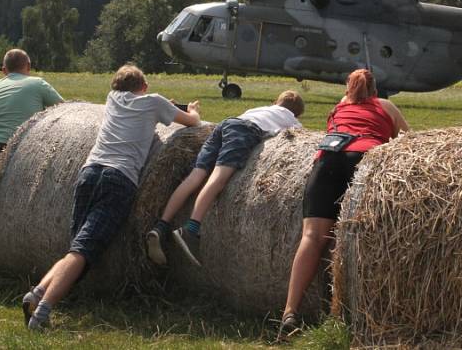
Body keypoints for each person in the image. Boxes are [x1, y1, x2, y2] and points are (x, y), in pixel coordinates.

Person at [23, 64, 200, 330]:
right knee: (82, 251)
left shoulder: (113, 99)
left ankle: (36, 294)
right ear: (144, 87)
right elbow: (193, 123)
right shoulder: (153, 102)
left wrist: (161, 104)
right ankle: (42, 313)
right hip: (119, 179)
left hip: (89, 173)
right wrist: (192, 110)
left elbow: (137, 102)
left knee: (78, 247)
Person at [278, 69, 408, 338]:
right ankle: (344, 312)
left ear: (348, 88)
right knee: (353, 237)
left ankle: (289, 312)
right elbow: (409, 142)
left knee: (312, 237)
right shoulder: (387, 106)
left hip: (328, 159)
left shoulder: (340, 106)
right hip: (362, 161)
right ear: (375, 89)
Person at [146, 90, 304, 268]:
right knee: (219, 178)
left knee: (196, 176)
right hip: (245, 131)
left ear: (276, 101)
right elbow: (297, 136)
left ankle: (161, 226)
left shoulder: (261, 108)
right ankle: (190, 230)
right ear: (296, 113)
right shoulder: (291, 118)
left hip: (226, 124)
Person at [0, 49, 63, 257]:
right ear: (29, 67)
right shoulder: (38, 84)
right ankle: (5, 254)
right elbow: (64, 108)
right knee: (14, 203)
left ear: (4, 70)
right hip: (13, 149)